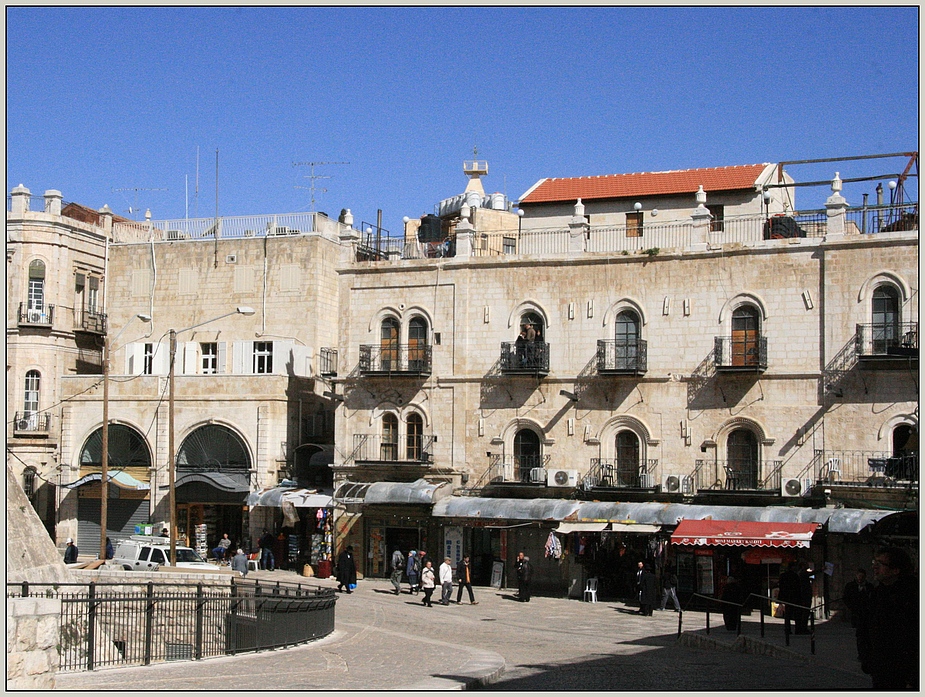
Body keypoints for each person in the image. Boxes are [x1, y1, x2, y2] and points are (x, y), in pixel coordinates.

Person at [857, 546, 919, 690]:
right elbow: (864, 628)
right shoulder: (876, 594)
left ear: (896, 570)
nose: (874, 567)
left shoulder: (912, 595)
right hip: (880, 669)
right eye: (875, 562)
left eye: (881, 564)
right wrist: (866, 658)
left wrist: (914, 676)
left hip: (904, 672)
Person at [777, 561, 802, 635]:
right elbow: (798, 587)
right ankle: (797, 629)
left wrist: (781, 598)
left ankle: (787, 629)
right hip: (794, 597)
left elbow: (781, 587)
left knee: (788, 614)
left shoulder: (783, 575)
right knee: (796, 614)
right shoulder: (795, 576)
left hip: (786, 597)